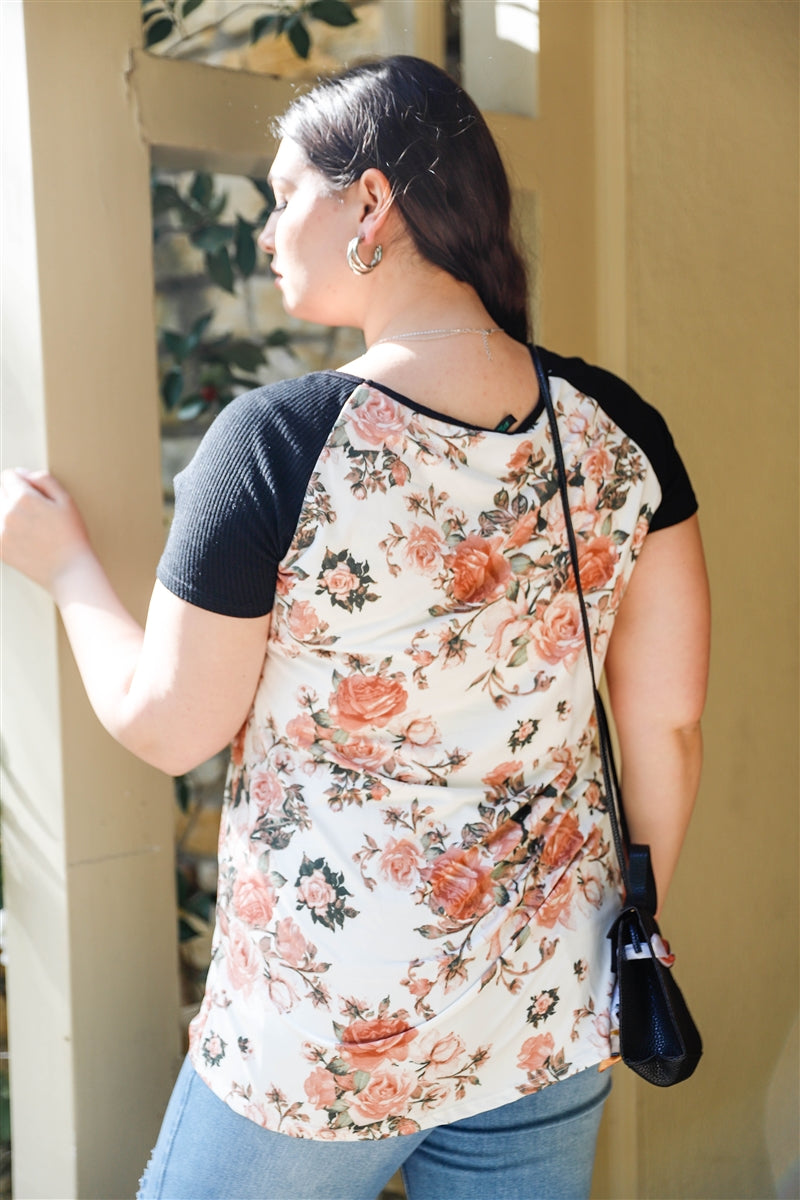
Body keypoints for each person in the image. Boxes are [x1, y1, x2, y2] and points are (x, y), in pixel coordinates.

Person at [0, 56, 709, 1200]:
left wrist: (63, 564)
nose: (267, 229)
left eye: (287, 195)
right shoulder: (616, 430)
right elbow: (665, 725)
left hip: (326, 1027)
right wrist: (616, 941)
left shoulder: (280, 440)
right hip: (543, 1006)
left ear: (369, 202)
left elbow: (167, 725)